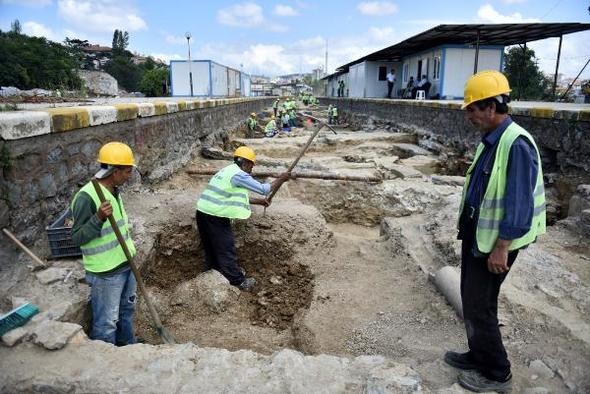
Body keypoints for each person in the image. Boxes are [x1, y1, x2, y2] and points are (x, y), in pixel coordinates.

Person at [445, 70, 546, 393]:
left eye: (472, 109)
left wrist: (502, 246)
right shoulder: (492, 140)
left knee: (481, 305)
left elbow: (519, 204)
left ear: (491, 107)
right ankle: (478, 354)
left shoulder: (515, 144)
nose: (468, 116)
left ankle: (497, 373)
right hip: (478, 237)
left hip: (495, 243)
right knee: (471, 298)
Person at [71, 142, 138, 346]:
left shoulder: (114, 190)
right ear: (114, 171)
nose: (129, 175)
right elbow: (77, 238)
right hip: (106, 272)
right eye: (127, 171)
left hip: (126, 263)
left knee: (126, 311)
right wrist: (98, 217)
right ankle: (105, 357)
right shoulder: (86, 197)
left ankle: (128, 346)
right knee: (107, 322)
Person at [195, 147, 290, 290]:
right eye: (252, 164)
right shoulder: (239, 175)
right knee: (226, 248)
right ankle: (237, 281)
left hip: (203, 212)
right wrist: (281, 179)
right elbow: (264, 189)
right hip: (215, 216)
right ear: (245, 163)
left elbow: (232, 195)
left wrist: (259, 202)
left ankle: (213, 273)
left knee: (211, 247)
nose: (252, 169)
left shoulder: (227, 171)